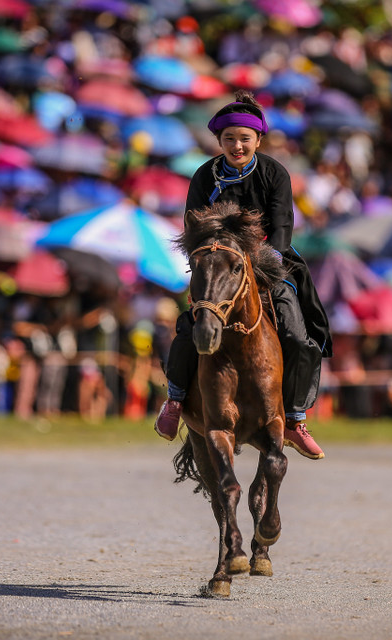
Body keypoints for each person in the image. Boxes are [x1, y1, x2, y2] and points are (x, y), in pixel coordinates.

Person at [153, 91, 332, 460]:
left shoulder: (275, 173)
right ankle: (175, 400)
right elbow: (193, 227)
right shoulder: (204, 175)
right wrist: (213, 260)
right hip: (217, 266)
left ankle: (295, 419)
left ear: (258, 140)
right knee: (192, 324)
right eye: (229, 138)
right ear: (219, 141)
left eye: (244, 138)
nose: (237, 145)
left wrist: (261, 262)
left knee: (298, 336)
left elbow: (282, 227)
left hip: (269, 261)